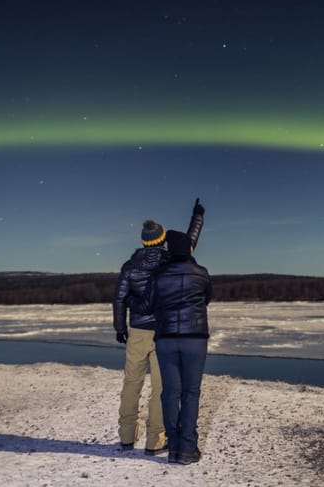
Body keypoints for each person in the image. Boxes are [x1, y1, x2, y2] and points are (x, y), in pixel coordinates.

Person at [112, 198, 204, 454]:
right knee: (161, 388)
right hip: (164, 333)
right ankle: (155, 440)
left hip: (138, 332)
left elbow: (119, 298)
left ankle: (126, 437)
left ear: (144, 241)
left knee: (132, 382)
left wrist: (120, 327)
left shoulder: (130, 267)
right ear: (163, 240)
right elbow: (190, 241)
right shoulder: (170, 262)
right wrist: (197, 218)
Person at [135, 228, 212, 465]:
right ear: (187, 249)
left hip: (166, 339)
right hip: (195, 339)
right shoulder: (201, 273)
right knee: (191, 392)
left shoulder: (159, 275)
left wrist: (130, 298)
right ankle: (188, 448)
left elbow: (145, 306)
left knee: (170, 392)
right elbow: (206, 299)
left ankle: (174, 447)